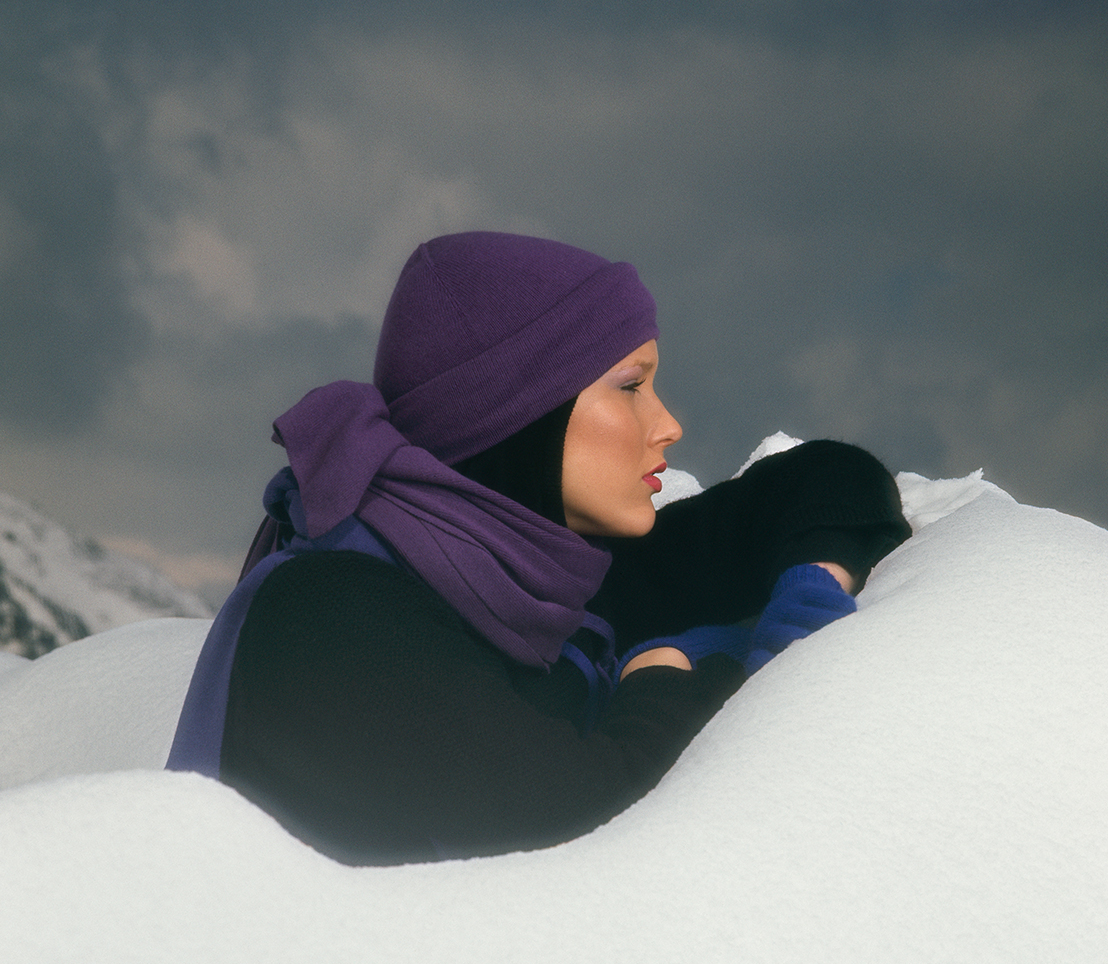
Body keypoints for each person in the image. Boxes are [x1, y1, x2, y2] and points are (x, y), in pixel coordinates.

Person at [168, 232, 910, 865]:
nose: (667, 424)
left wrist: (813, 583)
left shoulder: (537, 578)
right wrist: (668, 676)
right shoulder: (329, 616)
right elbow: (573, 824)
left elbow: (828, 482)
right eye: (630, 386)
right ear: (518, 413)